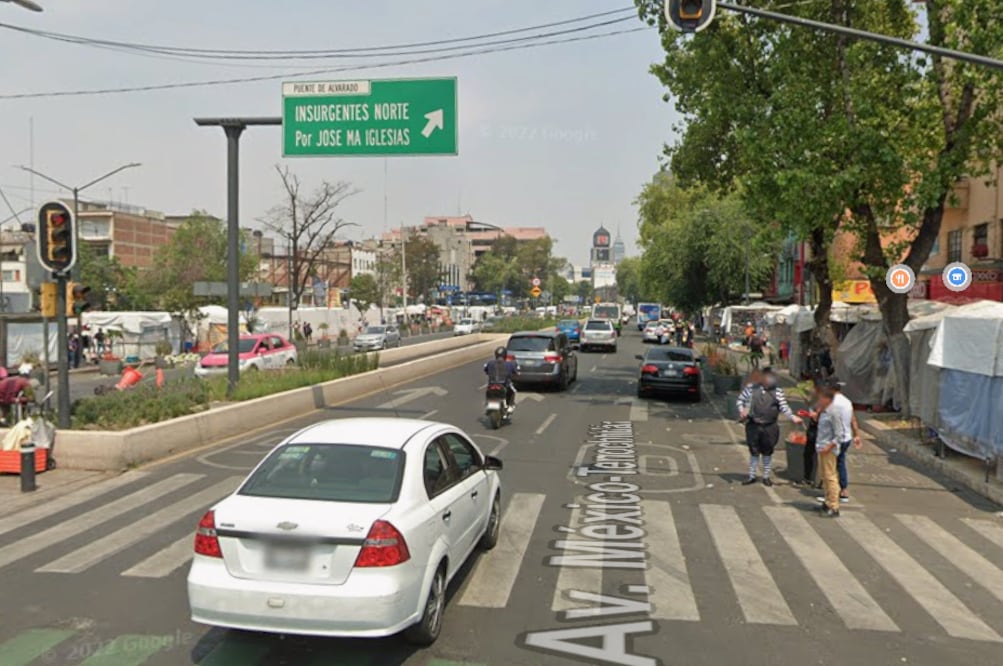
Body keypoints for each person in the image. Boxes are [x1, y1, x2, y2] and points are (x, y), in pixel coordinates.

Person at [737, 367, 802, 486]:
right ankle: (751, 475)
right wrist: (742, 411)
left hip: (769, 426)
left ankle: (766, 476)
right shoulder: (751, 388)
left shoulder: (777, 391)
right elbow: (740, 401)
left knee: (767, 452)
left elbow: (784, 407)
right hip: (753, 424)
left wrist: (792, 417)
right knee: (754, 451)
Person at [827, 377, 862, 504]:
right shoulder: (847, 402)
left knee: (830, 465)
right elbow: (853, 419)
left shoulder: (831, 402)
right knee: (841, 463)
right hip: (846, 438)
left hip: (834, 438)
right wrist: (857, 435)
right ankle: (844, 490)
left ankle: (831, 492)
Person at [814, 384, 845, 517]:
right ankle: (827, 502)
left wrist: (830, 446)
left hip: (828, 449)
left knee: (831, 477)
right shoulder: (824, 411)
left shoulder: (833, 413)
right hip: (821, 447)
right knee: (824, 476)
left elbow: (839, 435)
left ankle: (834, 505)